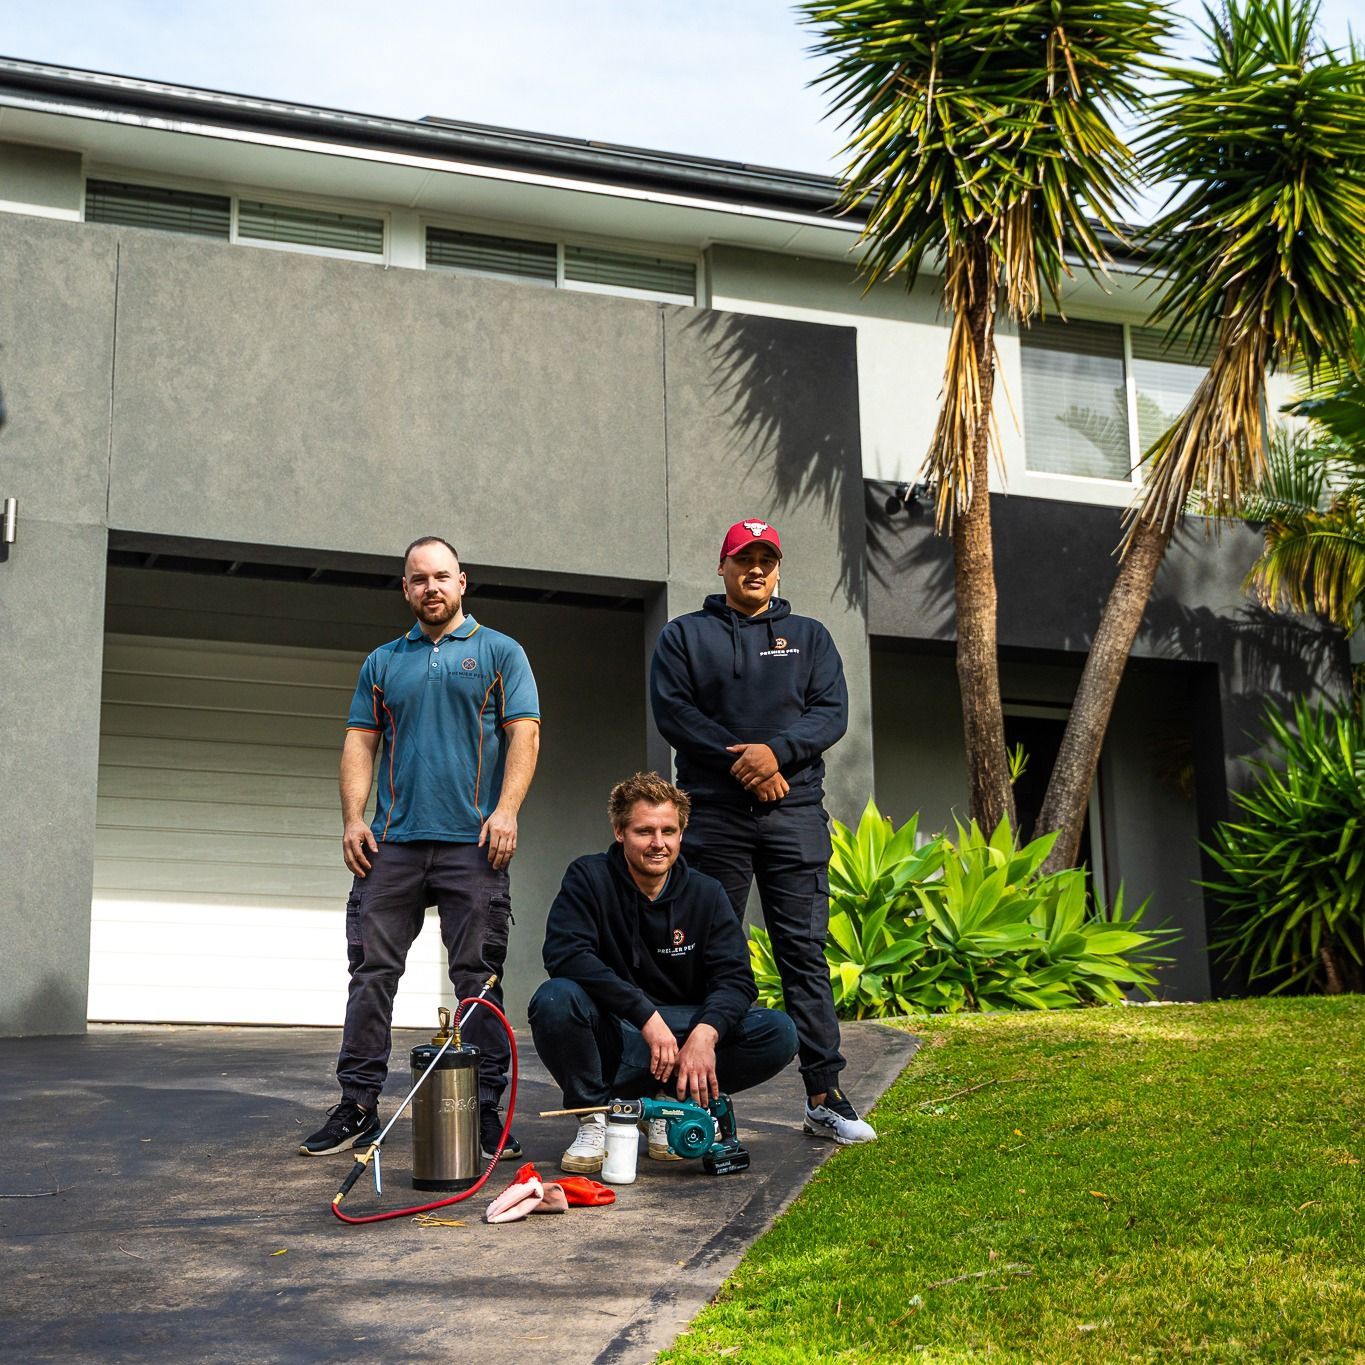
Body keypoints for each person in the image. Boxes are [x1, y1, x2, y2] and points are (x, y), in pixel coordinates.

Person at [299, 536, 540, 1159]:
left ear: (463, 582)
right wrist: (355, 819)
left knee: (477, 981)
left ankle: (484, 1111)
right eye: (418, 580)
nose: (431, 588)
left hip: (473, 844)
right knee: (372, 974)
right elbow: (360, 741)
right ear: (405, 590)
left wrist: (506, 811)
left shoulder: (499, 652)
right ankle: (357, 1105)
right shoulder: (383, 662)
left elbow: (525, 736)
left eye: (441, 577)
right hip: (395, 846)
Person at [648, 518, 877, 1144]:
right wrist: (746, 762)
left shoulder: (809, 637)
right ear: (722, 567)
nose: (756, 569)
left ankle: (825, 1096)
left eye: (766, 560)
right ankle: (691, 1105)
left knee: (803, 953)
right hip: (714, 818)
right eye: (743, 558)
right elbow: (676, 714)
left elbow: (831, 713)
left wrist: (775, 755)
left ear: (776, 569)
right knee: (701, 955)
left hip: (793, 817)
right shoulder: (684, 636)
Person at [529, 772, 797, 1173]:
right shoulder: (588, 877)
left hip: (684, 1029)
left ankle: (668, 1104)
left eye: (669, 831)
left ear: (681, 833)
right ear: (620, 832)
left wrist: (706, 1033)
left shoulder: (706, 893)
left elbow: (736, 979)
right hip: (616, 1029)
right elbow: (565, 953)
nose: (659, 843)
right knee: (555, 998)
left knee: (778, 1032)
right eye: (644, 831)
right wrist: (645, 1016)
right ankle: (594, 1117)